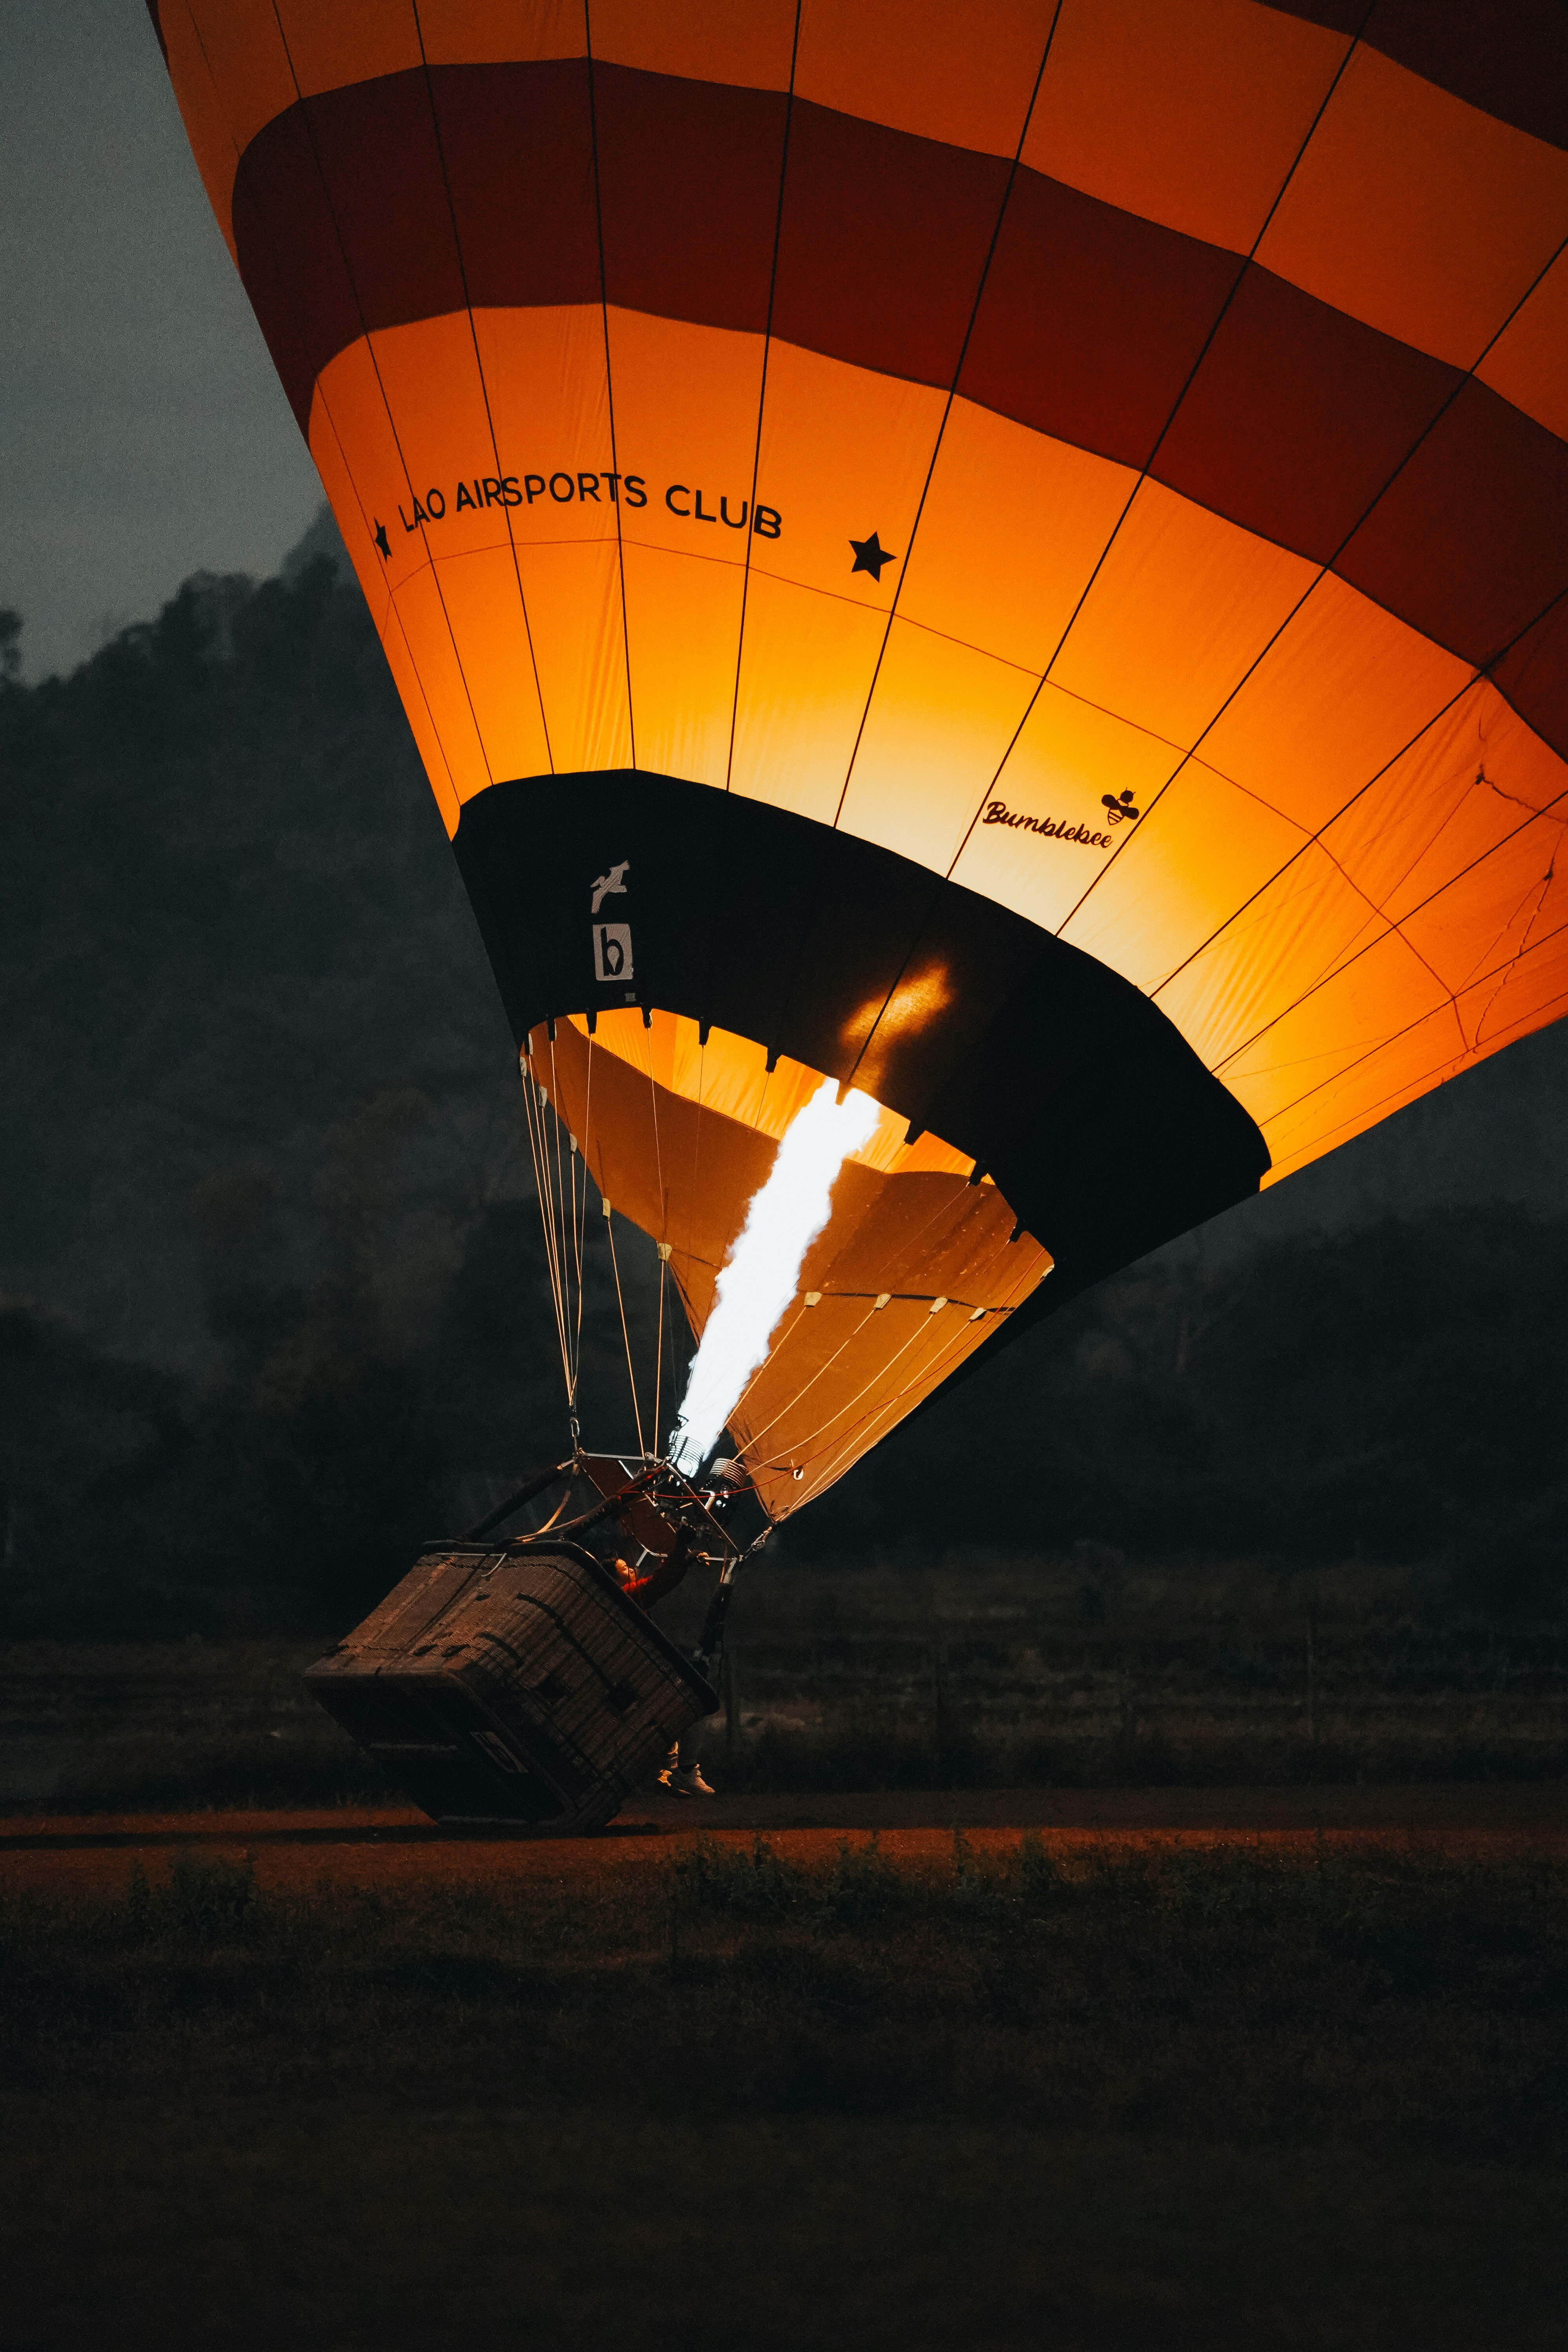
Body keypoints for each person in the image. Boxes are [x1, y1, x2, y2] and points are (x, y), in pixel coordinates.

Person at [607, 1528, 715, 1797]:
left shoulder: (617, 1598)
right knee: (689, 1702)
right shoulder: (624, 1597)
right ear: (615, 1582)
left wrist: (683, 1559)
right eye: (625, 1570)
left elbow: (662, 1578)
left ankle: (669, 1770)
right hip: (637, 1674)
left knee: (671, 1709)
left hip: (635, 1673)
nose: (632, 1570)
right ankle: (683, 1771)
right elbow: (660, 1582)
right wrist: (681, 1547)